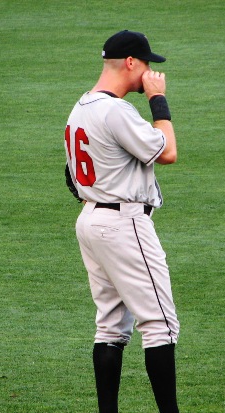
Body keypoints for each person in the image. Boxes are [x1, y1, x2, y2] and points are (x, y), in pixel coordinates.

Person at [64, 30, 180, 413]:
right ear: (131, 63)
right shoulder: (116, 109)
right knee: (160, 326)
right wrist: (157, 99)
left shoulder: (80, 107)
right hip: (123, 222)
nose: (151, 72)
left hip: (90, 221)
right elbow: (167, 152)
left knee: (111, 328)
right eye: (148, 64)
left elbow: (72, 179)